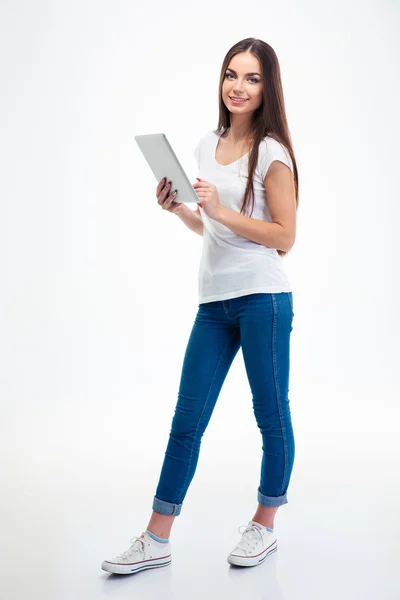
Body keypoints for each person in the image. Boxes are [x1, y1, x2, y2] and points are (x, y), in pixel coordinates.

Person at [102, 37, 299, 575]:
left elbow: (285, 236)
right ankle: (156, 537)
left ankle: (265, 524)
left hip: (263, 298)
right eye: (231, 75)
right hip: (214, 303)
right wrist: (179, 210)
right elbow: (208, 226)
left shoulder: (273, 152)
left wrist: (220, 209)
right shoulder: (206, 144)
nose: (238, 86)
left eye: (252, 79)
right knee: (187, 419)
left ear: (267, 88)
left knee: (271, 416)